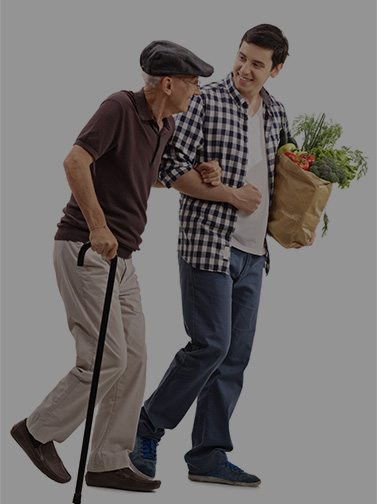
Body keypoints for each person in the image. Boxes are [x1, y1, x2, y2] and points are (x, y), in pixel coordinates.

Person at [10, 40, 214, 493]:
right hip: (87, 247)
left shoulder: (163, 125)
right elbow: (75, 160)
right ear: (166, 83)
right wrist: (98, 226)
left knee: (135, 357)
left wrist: (202, 174)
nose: (196, 92)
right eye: (191, 83)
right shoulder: (119, 108)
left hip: (122, 260)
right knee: (106, 358)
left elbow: (151, 174)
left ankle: (107, 460)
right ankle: (37, 431)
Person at [130, 24, 315, 487]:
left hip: (254, 253)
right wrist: (230, 195)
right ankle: (146, 427)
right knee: (209, 345)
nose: (244, 69)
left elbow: (286, 178)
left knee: (234, 356)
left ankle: (208, 455)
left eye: (257, 63)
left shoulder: (276, 114)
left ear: (276, 70)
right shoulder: (205, 100)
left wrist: (303, 217)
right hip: (208, 245)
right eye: (241, 57)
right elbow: (169, 168)